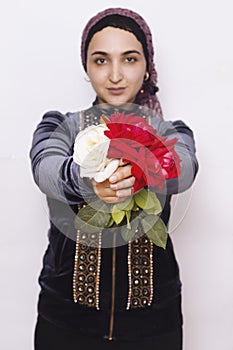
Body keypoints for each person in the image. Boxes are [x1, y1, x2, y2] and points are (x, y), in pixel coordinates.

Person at [30, 7, 199, 350]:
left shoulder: (172, 132)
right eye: (101, 60)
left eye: (130, 59)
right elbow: (45, 170)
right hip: (65, 322)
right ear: (86, 67)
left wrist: (139, 164)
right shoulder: (59, 126)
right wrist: (88, 180)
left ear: (147, 67)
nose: (116, 75)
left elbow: (183, 170)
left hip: (154, 327)